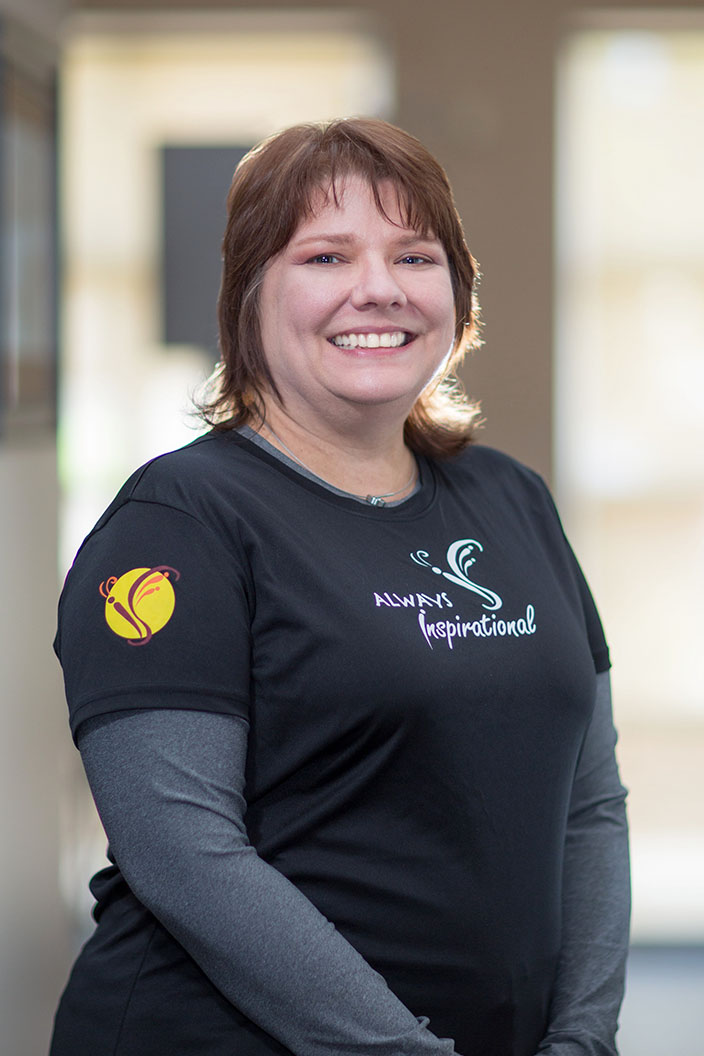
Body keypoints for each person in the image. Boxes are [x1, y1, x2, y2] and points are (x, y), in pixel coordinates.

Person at [50, 117, 630, 1056]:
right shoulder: (179, 522)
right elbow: (185, 856)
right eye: (325, 255)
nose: (378, 288)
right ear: (250, 296)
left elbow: (590, 804)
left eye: (415, 254)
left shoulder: (511, 499)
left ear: (457, 291)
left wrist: (585, 1036)